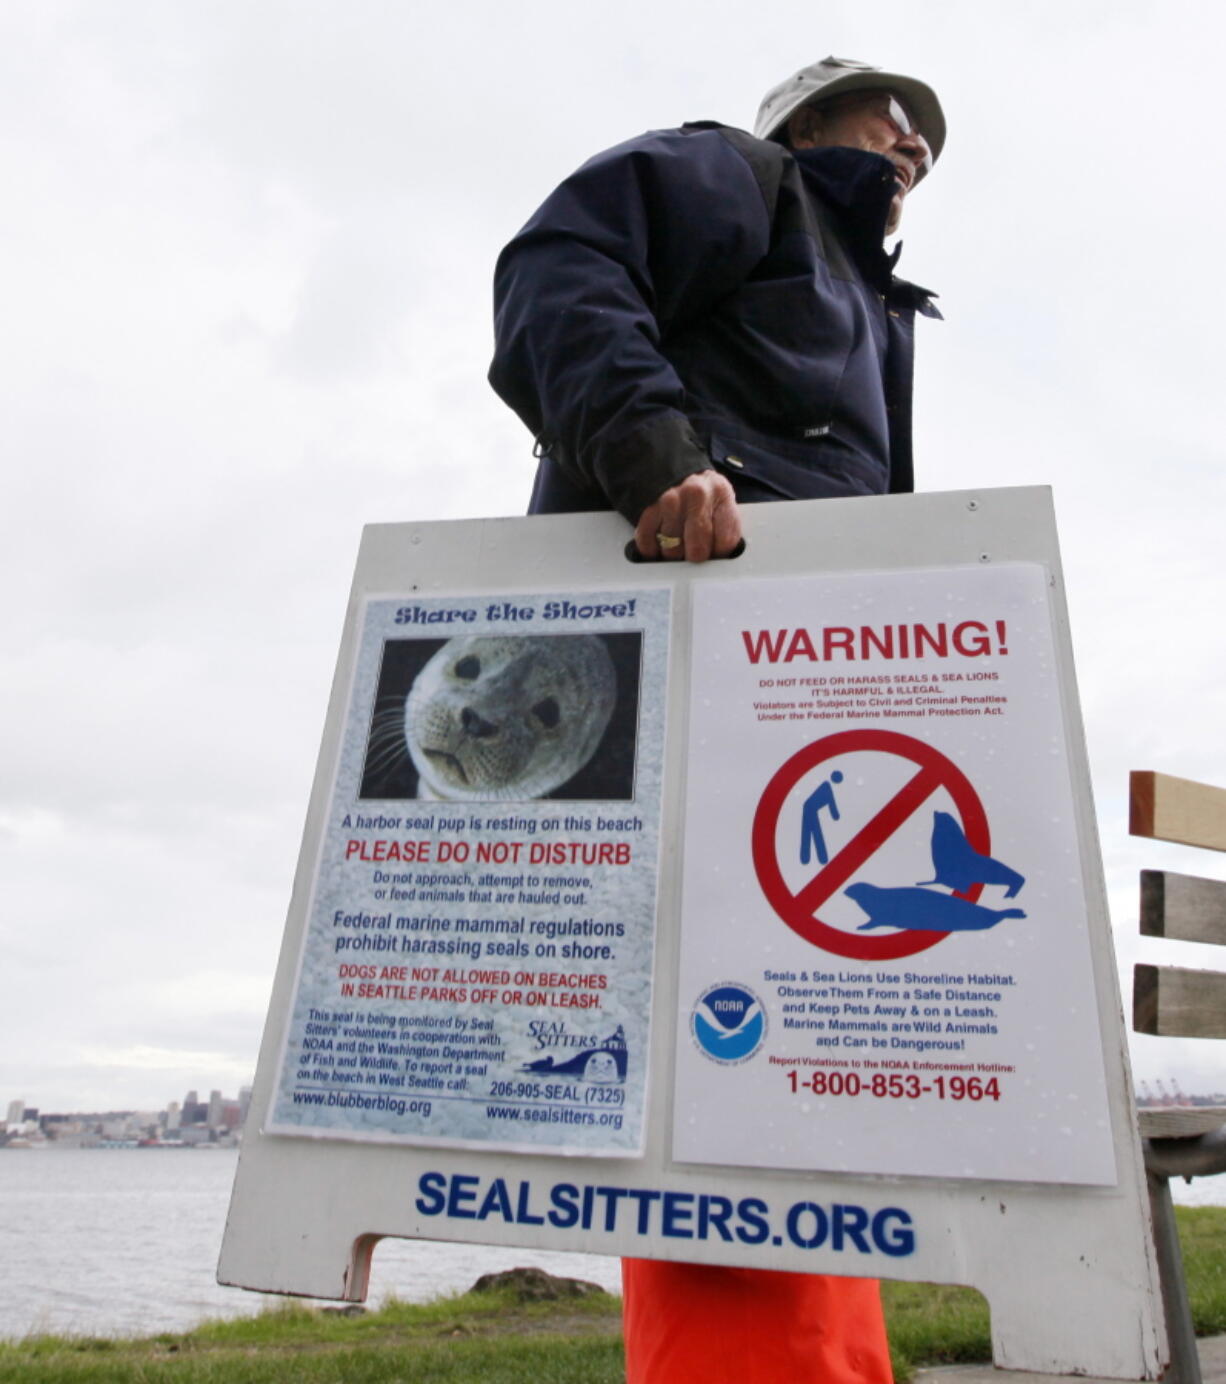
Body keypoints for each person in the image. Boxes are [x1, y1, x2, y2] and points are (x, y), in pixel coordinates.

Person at [489, 53, 945, 1384]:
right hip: (691, 638)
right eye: (890, 112)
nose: (913, 139)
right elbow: (558, 270)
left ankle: (826, 1360)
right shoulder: (733, 176)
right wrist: (657, 459)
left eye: (930, 132)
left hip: (799, 679)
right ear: (805, 124)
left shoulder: (870, 300)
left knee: (791, 1029)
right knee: (717, 1032)